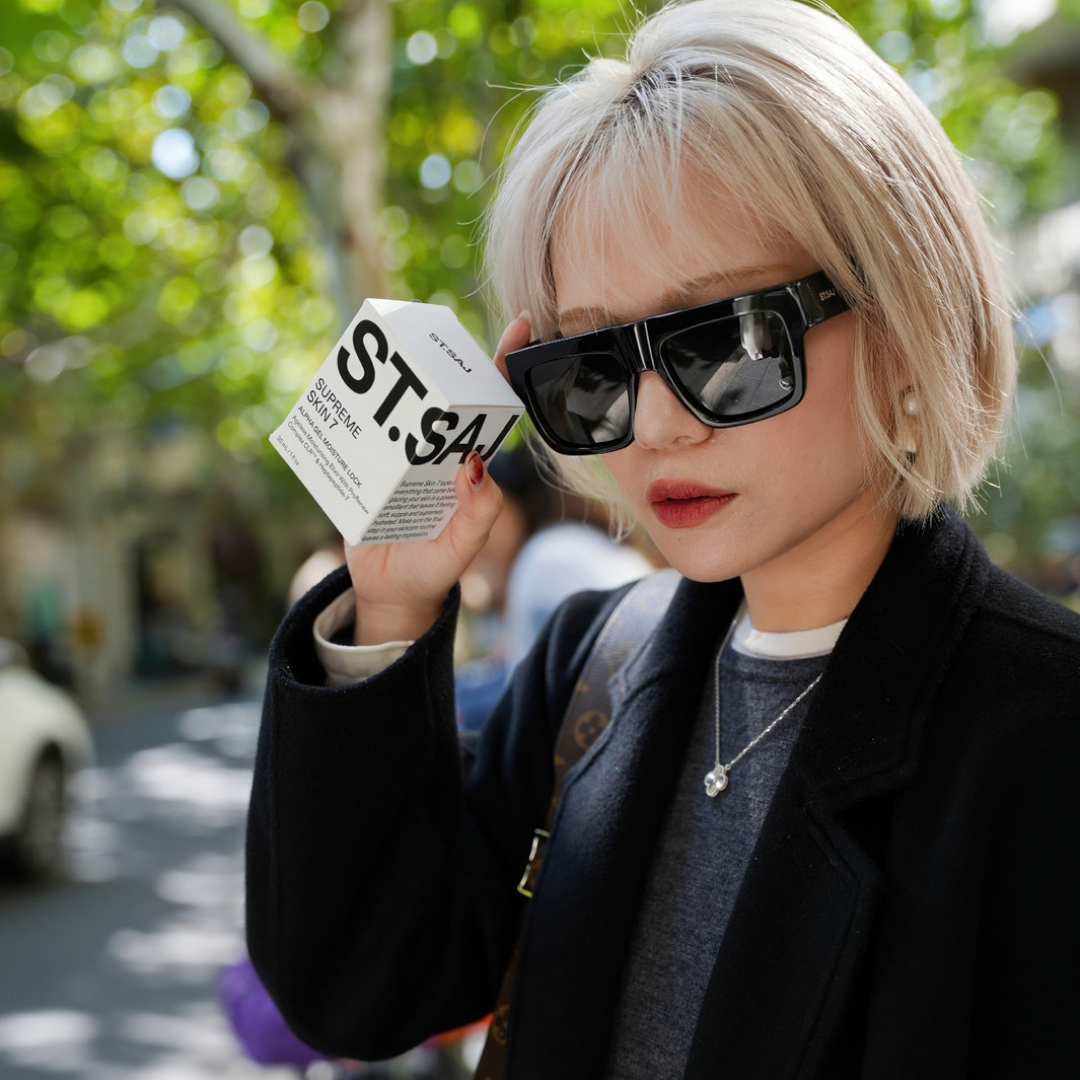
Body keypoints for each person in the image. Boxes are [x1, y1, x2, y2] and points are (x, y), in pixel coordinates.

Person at [245, 2, 1080, 1078]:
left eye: (723, 340)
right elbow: (363, 988)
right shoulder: (593, 669)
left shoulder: (1047, 743)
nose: (651, 423)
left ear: (905, 320)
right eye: (590, 365)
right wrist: (394, 607)